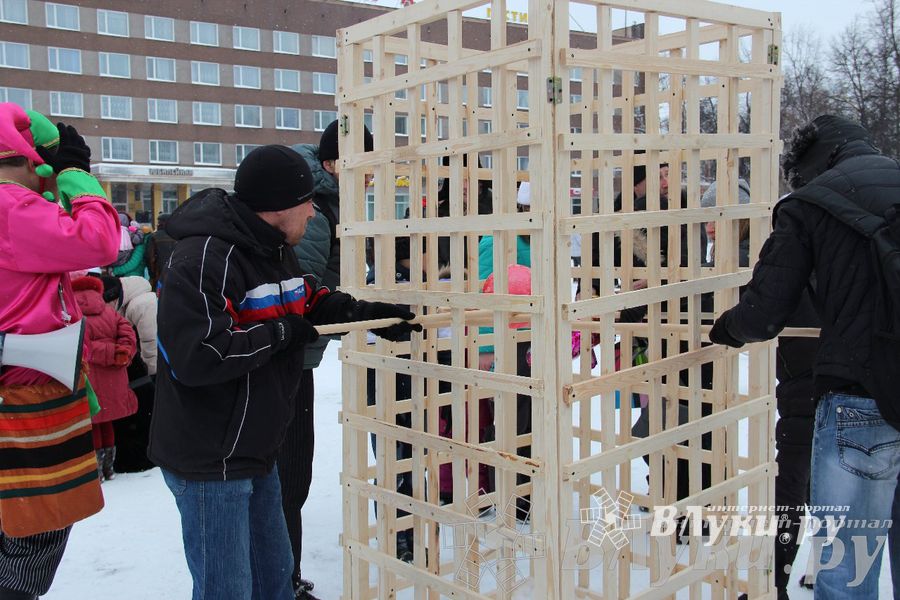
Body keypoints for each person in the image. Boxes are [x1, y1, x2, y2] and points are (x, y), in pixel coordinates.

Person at [148, 144, 420, 600]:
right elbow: (197, 356)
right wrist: (279, 334)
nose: (314, 212)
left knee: (274, 582)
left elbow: (308, 301)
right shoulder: (204, 259)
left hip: (255, 450)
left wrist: (367, 315)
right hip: (210, 461)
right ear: (278, 206)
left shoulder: (274, 248)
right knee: (227, 591)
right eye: (307, 201)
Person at [709, 115, 900, 599]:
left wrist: (725, 328)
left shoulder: (810, 204)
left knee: (848, 565)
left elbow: (764, 311)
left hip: (861, 395)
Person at [0, 104, 119, 598]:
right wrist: (77, 177)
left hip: (21, 384)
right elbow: (100, 240)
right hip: (27, 394)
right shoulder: (10, 205)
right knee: (37, 523)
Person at [282, 120, 372, 598]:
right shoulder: (316, 210)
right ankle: (284, 581)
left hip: (294, 354)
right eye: (365, 166)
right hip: (288, 359)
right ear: (335, 163)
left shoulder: (325, 199)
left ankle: (284, 576)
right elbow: (303, 292)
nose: (371, 177)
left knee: (287, 477)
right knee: (289, 477)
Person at [71, 275, 138, 481]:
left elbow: (84, 347)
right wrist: (122, 352)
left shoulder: (74, 316)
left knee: (93, 421)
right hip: (113, 376)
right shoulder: (110, 312)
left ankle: (97, 470)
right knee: (107, 419)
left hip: (90, 375)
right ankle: (109, 467)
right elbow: (129, 334)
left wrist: (108, 352)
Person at [99, 275, 158, 473]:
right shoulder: (126, 301)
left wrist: (152, 377)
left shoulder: (142, 304)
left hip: (153, 366)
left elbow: (151, 344)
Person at [145, 213, 176, 291]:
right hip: (176, 274)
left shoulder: (153, 237)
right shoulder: (178, 236)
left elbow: (150, 258)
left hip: (159, 274)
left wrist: (152, 275)